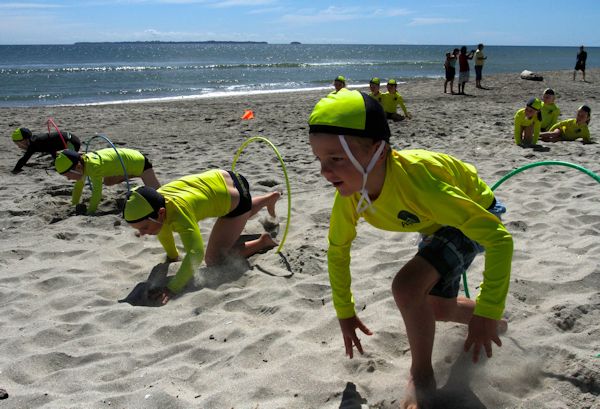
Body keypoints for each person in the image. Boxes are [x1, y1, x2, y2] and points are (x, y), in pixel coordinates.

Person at [308, 90, 513, 408]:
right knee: (436, 309)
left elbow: (499, 238)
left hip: (474, 212)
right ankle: (497, 327)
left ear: (377, 150)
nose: (324, 171)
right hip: (435, 225)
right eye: (319, 159)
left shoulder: (418, 184)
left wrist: (490, 308)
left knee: (406, 287)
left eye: (336, 159)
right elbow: (337, 252)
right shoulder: (350, 197)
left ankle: (421, 374)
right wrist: (345, 311)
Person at [122, 170, 281, 304]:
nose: (142, 233)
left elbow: (196, 253)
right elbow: (163, 231)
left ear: (161, 213)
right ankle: (268, 199)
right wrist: (172, 256)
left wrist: (173, 288)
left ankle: (263, 241)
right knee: (235, 210)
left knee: (213, 259)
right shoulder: (157, 201)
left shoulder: (179, 213)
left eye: (144, 227)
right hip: (226, 177)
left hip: (236, 199)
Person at [55, 148, 161, 215]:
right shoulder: (83, 164)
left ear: (78, 167)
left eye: (68, 175)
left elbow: (97, 193)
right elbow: (78, 187)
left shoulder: (93, 166)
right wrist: (74, 204)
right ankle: (134, 173)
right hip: (130, 161)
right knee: (108, 182)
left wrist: (90, 212)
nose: (68, 179)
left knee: (159, 197)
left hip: (141, 162)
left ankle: (139, 173)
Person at [10, 127, 81, 174]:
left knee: (71, 164)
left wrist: (16, 169)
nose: (19, 146)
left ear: (25, 140)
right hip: (72, 140)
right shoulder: (35, 141)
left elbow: (24, 159)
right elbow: (51, 147)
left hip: (72, 143)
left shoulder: (34, 144)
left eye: (18, 143)